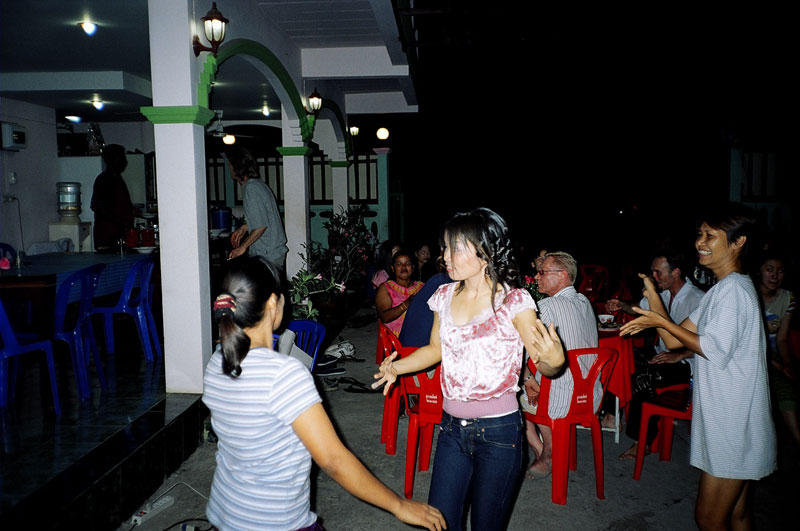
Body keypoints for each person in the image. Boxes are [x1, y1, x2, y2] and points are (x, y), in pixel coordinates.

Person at [202, 257, 445, 530]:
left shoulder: (217, 363)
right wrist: (399, 506)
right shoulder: (284, 374)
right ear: (272, 303)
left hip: (225, 513)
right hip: (275, 522)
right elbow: (333, 459)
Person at [373, 207, 565, 531]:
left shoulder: (514, 301)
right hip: (451, 430)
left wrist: (556, 359)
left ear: (485, 252)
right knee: (441, 522)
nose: (444, 256)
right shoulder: (443, 296)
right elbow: (435, 350)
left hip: (500, 434)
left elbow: (545, 363)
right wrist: (398, 367)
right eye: (445, 247)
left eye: (455, 248)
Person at [620, 203, 776, 531]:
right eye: (699, 234)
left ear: (738, 242)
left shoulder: (733, 290)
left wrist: (660, 320)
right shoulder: (721, 290)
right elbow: (676, 340)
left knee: (708, 519)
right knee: (738, 515)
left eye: (710, 236)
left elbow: (711, 349)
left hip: (733, 424)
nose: (700, 242)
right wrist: (654, 296)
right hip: (735, 420)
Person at [605, 251, 705, 460]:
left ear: (675, 272)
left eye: (658, 272)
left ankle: (643, 441)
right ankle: (611, 413)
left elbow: (708, 342)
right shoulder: (664, 294)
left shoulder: (698, 299)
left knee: (644, 376)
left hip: (688, 363)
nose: (654, 276)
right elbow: (639, 308)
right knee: (617, 358)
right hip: (663, 355)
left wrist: (679, 355)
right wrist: (622, 304)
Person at [520, 251, 599, 479]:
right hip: (589, 395)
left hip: (560, 398)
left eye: (542, 272)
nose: (536, 277)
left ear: (563, 275)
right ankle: (546, 449)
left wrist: (527, 379)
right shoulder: (585, 302)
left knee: (509, 399)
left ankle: (546, 452)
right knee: (534, 381)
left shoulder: (548, 306)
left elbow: (521, 351)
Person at [756, 252, 799, 450]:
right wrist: (779, 366)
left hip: (773, 353)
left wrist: (787, 365)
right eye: (769, 270)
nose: (775, 276)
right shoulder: (750, 295)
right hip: (750, 353)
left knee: (786, 387)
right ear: (760, 271)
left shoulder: (788, 298)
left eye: (780, 271)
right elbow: (752, 343)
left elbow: (781, 339)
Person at [226, 147, 288, 271]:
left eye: (230, 165)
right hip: (269, 251)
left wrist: (242, 247)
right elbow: (261, 216)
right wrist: (244, 227)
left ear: (236, 167)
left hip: (268, 253)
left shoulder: (252, 189)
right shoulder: (256, 185)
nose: (229, 168)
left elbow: (261, 226)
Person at [91, 144, 134, 250]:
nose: (124, 162)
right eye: (120, 157)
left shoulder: (116, 178)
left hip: (118, 236)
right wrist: (122, 221)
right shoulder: (104, 179)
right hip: (108, 237)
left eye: (124, 158)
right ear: (108, 159)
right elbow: (97, 206)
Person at [375, 249, 424, 336]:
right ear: (393, 268)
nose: (404, 267)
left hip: (418, 335)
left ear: (413, 267)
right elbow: (384, 317)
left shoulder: (422, 287)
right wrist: (406, 304)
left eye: (408, 264)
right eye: (399, 264)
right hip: (394, 339)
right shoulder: (386, 288)